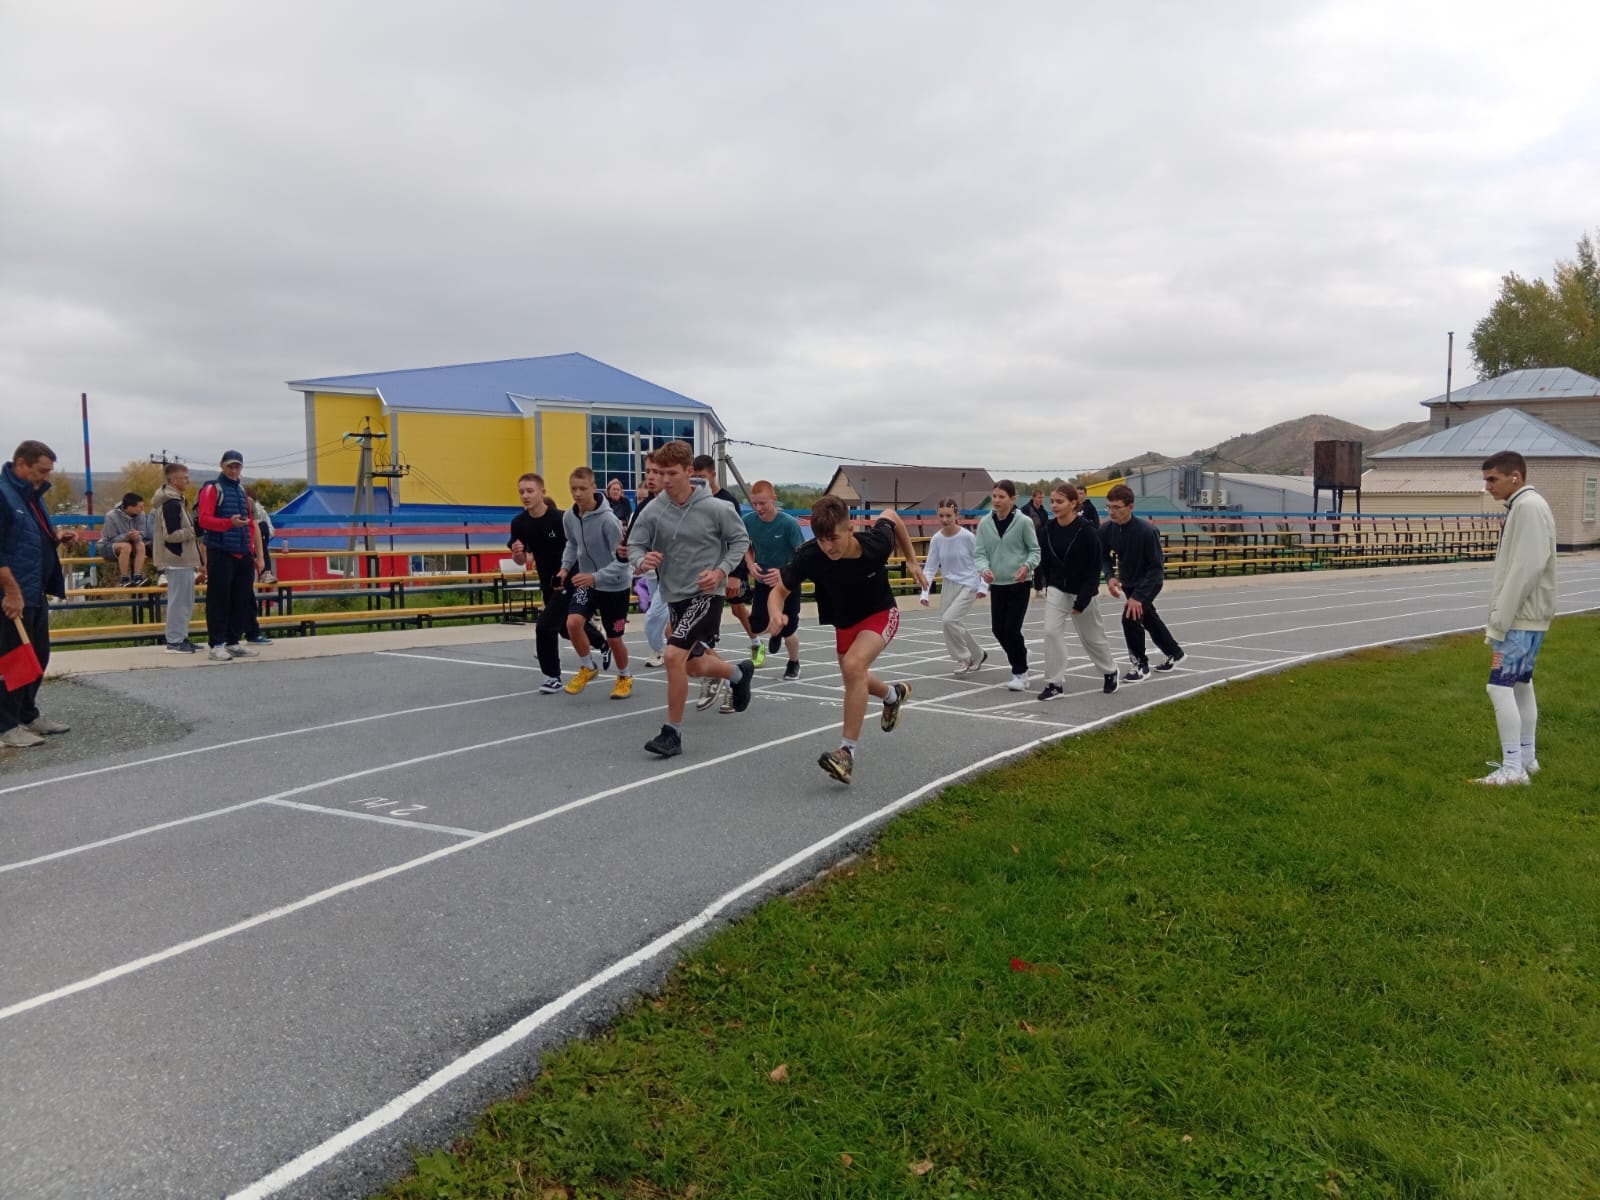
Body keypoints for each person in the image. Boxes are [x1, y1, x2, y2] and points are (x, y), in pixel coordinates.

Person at [768, 496, 926, 784]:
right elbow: (778, 592)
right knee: (854, 675)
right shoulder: (810, 556)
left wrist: (912, 560)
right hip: (844, 622)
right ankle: (893, 695)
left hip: (880, 613)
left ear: (850, 529)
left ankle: (846, 753)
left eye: (833, 538)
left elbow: (891, 514)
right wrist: (775, 614)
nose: (828, 547)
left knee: (853, 666)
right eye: (821, 540)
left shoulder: (875, 545)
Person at [627, 441, 753, 759]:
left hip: (706, 594)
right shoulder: (653, 509)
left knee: (672, 656)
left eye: (671, 473)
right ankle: (738, 674)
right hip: (674, 595)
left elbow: (741, 540)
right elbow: (634, 545)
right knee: (692, 665)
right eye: (659, 473)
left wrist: (721, 571)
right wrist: (642, 560)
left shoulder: (715, 508)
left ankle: (672, 733)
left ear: (688, 471)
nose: (664, 480)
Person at [1474, 450, 1558, 786]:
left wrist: (1500, 619)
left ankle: (1512, 769)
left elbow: (1527, 568)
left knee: (1498, 687)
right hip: (1529, 616)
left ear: (1515, 477)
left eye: (1492, 479)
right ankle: (1526, 758)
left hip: (1520, 618)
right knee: (1521, 684)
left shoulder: (1527, 507)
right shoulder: (1524, 505)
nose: (1488, 486)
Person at [0, 440, 76, 748]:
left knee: (38, 656)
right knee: (14, 661)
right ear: (21, 464)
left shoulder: (32, 496)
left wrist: (55, 538)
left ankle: (27, 714)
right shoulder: (3, 496)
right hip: (13, 595)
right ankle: (7, 726)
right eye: (41, 471)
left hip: (34, 590)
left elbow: (25, 538)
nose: (46, 477)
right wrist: (11, 592)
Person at [507, 472, 601, 694]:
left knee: (544, 626)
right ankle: (601, 643)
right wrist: (517, 554)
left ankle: (552, 676)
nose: (525, 495)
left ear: (542, 492)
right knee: (565, 629)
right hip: (547, 581)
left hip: (570, 578)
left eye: (530, 491)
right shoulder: (519, 523)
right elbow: (522, 560)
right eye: (521, 492)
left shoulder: (561, 518)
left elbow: (579, 547)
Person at [1036, 483, 1119, 699]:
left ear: (1073, 503)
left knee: (1092, 638)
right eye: (1052, 501)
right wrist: (1045, 584)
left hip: (1083, 592)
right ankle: (1054, 683)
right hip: (1057, 589)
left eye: (1059, 501)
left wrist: (1082, 600)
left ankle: (1110, 670)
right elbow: (1045, 561)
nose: (1054, 506)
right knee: (1050, 632)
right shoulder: (1048, 529)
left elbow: (1093, 570)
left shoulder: (1088, 532)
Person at [558, 467, 633, 699]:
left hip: (614, 585)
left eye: (582, 488)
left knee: (614, 638)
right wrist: (564, 568)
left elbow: (623, 563)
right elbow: (572, 543)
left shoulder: (609, 521)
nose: (577, 493)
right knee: (572, 623)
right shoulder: (569, 517)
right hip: (588, 582)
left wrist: (595, 577)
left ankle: (624, 676)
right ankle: (588, 666)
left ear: (594, 487)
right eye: (573, 489)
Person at [1101, 484, 1185, 680]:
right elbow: (1103, 555)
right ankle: (1174, 653)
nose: (1112, 512)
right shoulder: (1106, 529)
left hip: (1149, 582)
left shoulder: (1147, 531)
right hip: (1128, 582)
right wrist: (1110, 576)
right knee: (1148, 618)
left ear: (1130, 507)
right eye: (1109, 507)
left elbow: (1156, 568)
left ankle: (1140, 665)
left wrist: (1138, 597)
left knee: (1130, 618)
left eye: (1116, 507)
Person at [692, 454, 762, 669]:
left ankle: (756, 643)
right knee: (702, 615)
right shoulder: (694, 500)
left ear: (713, 474)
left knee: (737, 610)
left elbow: (739, 540)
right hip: (706, 569)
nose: (699, 482)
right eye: (695, 478)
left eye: (702, 477)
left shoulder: (727, 501)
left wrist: (736, 575)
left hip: (728, 567)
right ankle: (711, 662)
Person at [195, 450, 264, 662]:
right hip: (220, 550)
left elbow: (250, 522)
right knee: (219, 600)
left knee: (240, 599)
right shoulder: (212, 488)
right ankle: (217, 644)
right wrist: (228, 523)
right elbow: (203, 520)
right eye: (230, 466)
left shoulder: (241, 489)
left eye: (237, 466)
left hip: (242, 552)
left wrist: (251, 549)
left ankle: (233, 641)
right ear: (222, 466)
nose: (234, 470)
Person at [974, 479, 1040, 691]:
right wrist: (984, 569)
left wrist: (1026, 567)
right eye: (994, 496)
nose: (996, 500)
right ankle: (1021, 652)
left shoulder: (1023, 522)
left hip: (1019, 582)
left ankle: (1020, 674)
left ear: (1012, 499)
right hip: (998, 583)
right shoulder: (985, 523)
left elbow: (1035, 551)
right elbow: (979, 553)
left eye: (1001, 497)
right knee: (998, 629)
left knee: (1011, 629)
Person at [743, 480, 807, 681]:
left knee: (789, 630)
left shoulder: (788, 524)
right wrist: (750, 564)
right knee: (755, 625)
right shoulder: (748, 521)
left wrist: (783, 573)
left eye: (762, 503)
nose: (758, 508)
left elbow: (802, 556)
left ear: (774, 499)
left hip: (787, 583)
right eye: (754, 504)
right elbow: (744, 544)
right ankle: (774, 631)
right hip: (763, 580)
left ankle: (793, 662)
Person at [918, 497, 987, 673]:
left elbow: (980, 560)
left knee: (949, 620)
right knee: (952, 623)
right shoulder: (936, 539)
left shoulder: (968, 537)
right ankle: (978, 654)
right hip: (949, 584)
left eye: (948, 515)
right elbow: (930, 568)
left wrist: (983, 585)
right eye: (941, 515)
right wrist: (924, 593)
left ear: (956, 515)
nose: (944, 519)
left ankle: (963, 658)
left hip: (969, 584)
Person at [151, 462, 202, 653]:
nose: (188, 481)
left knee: (184, 602)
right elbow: (171, 535)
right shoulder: (171, 504)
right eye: (185, 478)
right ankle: (174, 640)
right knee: (179, 602)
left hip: (182, 559)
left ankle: (181, 636)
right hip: (177, 558)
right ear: (173, 480)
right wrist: (194, 530)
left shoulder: (177, 501)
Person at [99, 492, 150, 587]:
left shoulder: (141, 514)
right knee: (126, 546)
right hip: (108, 546)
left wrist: (136, 535)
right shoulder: (111, 516)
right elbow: (110, 539)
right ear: (130, 507)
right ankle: (124, 579)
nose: (142, 509)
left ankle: (137, 578)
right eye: (140, 507)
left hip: (131, 544)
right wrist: (126, 536)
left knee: (141, 545)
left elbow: (143, 533)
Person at [1020, 487, 1050, 597]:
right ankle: (1023, 587)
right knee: (1024, 563)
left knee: (1040, 565)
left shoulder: (1043, 511)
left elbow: (1046, 526)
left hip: (1040, 540)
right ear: (1033, 497)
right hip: (1026, 539)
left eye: (1042, 497)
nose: (1041, 499)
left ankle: (1039, 588)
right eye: (1039, 497)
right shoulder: (1024, 510)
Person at [251, 493, 277, 584]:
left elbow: (270, 530)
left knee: (263, 526)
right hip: (244, 541)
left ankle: (265, 572)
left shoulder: (260, 510)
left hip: (257, 542)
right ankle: (266, 572)